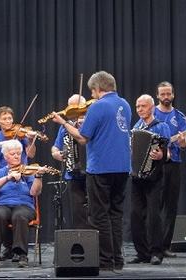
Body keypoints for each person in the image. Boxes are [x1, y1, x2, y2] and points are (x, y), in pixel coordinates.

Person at [51, 71, 131, 271]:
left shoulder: (98, 106)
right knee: (115, 214)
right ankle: (117, 260)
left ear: (97, 88)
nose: (92, 95)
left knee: (99, 216)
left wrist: (64, 123)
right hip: (122, 167)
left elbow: (82, 138)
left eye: (92, 91)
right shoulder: (125, 104)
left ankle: (105, 261)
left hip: (101, 169)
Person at [0, 139, 45, 268]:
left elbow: (35, 192)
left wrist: (38, 177)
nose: (17, 156)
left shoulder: (27, 172)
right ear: (6, 156)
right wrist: (7, 178)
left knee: (19, 215)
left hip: (24, 206)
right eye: (13, 154)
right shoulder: (0, 173)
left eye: (19, 153)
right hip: (3, 204)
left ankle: (21, 254)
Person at [128, 94, 170, 265]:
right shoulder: (135, 127)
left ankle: (156, 252)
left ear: (152, 107)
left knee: (153, 215)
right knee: (135, 215)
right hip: (137, 176)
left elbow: (167, 153)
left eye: (143, 106)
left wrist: (161, 154)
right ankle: (142, 253)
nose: (140, 110)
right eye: (137, 107)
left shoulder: (162, 127)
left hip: (154, 176)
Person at [154, 81, 186, 258]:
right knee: (154, 205)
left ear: (173, 95)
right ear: (157, 96)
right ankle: (154, 246)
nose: (166, 97)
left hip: (173, 164)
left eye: (169, 94)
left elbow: (183, 144)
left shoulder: (180, 116)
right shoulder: (152, 112)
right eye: (163, 94)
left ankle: (165, 246)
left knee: (171, 206)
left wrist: (183, 142)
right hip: (154, 165)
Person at [51, 94, 89, 229]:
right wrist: (56, 153)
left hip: (93, 172)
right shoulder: (65, 127)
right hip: (74, 173)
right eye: (71, 106)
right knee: (78, 211)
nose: (75, 109)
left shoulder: (91, 122)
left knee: (95, 210)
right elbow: (55, 146)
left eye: (78, 106)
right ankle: (81, 240)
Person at [0, 106, 36, 170]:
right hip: (3, 171)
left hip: (22, 170)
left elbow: (31, 155)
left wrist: (31, 140)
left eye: (10, 118)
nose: (8, 121)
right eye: (4, 119)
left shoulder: (21, 134)